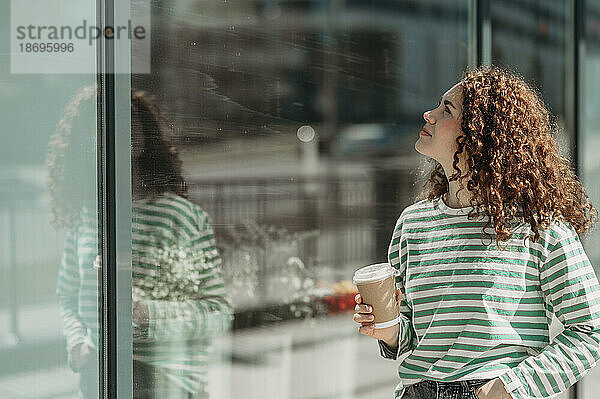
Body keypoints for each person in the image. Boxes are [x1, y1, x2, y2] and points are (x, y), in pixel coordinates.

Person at [353, 65, 600, 399]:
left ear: (480, 135)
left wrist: (512, 388)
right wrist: (386, 327)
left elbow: (590, 330)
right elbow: (411, 333)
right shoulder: (413, 223)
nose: (429, 114)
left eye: (446, 110)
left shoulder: (540, 227)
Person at [48, 85, 233, 398]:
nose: (119, 129)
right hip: (98, 373)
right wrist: (77, 342)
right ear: (85, 141)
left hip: (165, 380)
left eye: (129, 120)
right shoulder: (86, 215)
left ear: (144, 137)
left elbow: (217, 313)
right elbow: (67, 294)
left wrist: (146, 314)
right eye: (104, 121)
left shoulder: (178, 217)